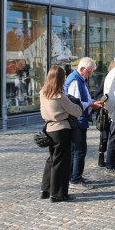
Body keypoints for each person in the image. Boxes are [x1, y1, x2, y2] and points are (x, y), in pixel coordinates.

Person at [39, 66, 82, 202]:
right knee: (61, 162)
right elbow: (76, 111)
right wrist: (77, 105)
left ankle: (46, 189)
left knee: (51, 160)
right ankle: (58, 194)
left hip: (49, 128)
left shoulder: (43, 92)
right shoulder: (60, 96)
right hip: (61, 129)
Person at [64, 57, 104, 190]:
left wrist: (92, 102)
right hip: (77, 121)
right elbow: (75, 102)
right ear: (82, 69)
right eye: (89, 72)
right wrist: (91, 104)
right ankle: (75, 179)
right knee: (79, 151)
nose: (90, 75)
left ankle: (74, 176)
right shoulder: (75, 80)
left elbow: (83, 98)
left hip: (79, 119)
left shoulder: (80, 79)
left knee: (77, 150)